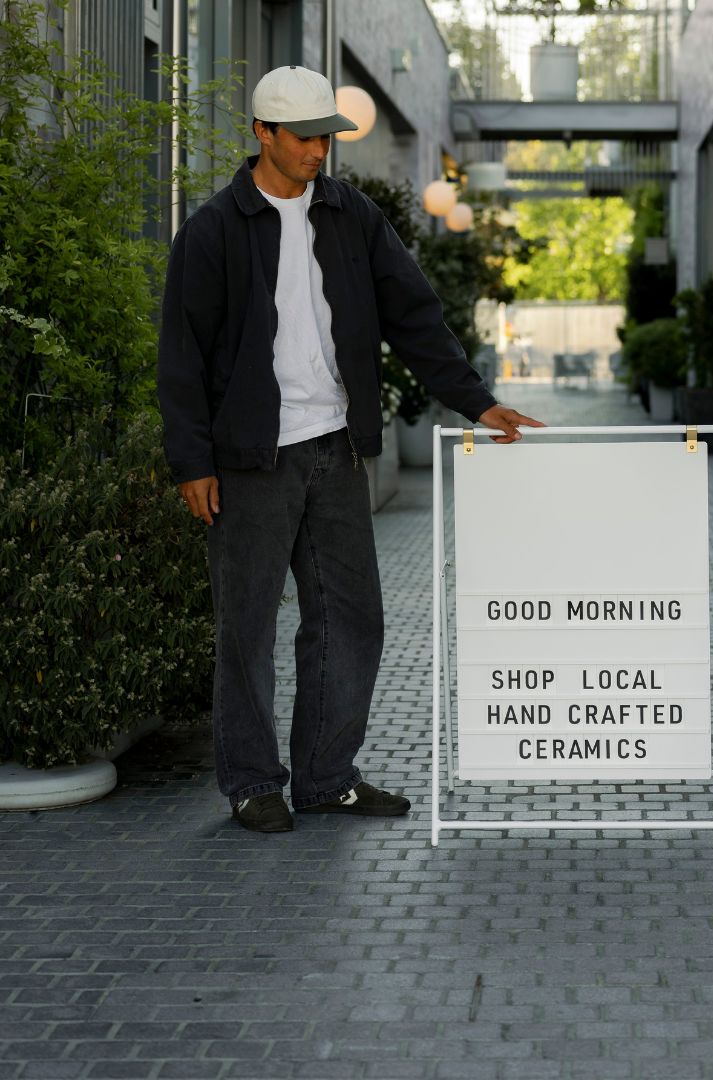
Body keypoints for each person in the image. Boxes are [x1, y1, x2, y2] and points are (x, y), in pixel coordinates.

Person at [157, 65, 541, 833]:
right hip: (249, 459)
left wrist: (476, 401)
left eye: (326, 137)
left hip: (334, 448)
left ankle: (327, 776)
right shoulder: (213, 231)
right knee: (248, 625)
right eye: (302, 138)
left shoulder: (351, 216)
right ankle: (251, 782)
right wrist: (191, 462)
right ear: (262, 133)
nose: (317, 152)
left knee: (352, 617)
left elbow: (415, 315)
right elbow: (181, 357)